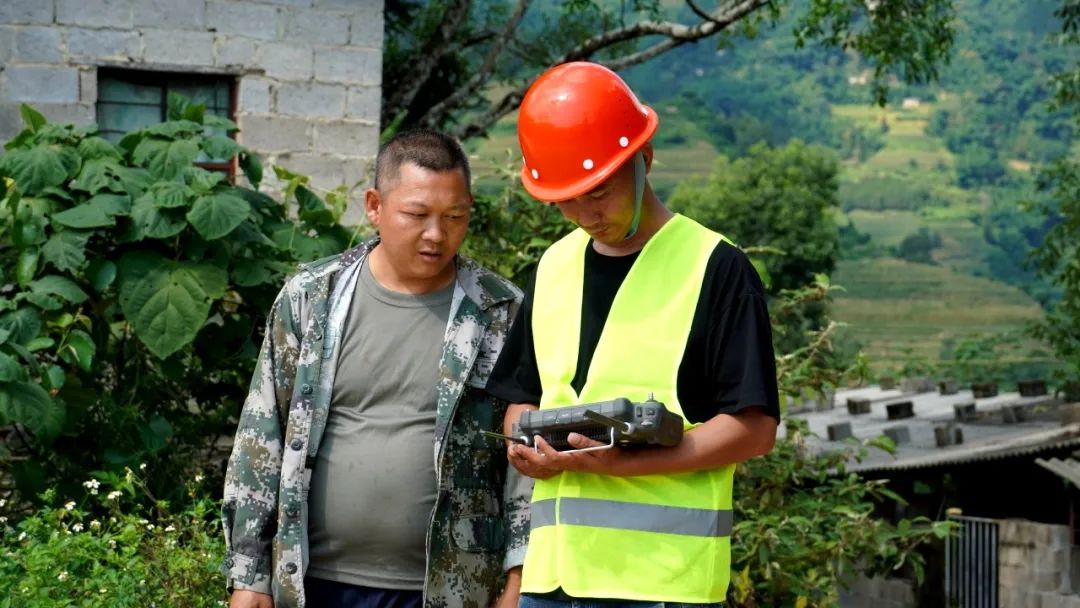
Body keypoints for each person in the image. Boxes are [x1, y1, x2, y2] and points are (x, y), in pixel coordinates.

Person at [485, 62, 781, 607]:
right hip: (551, 581)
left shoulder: (716, 268)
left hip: (661, 586)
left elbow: (754, 429)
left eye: (598, 190)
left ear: (643, 159)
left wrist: (629, 463)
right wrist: (528, 444)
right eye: (566, 199)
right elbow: (520, 397)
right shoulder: (552, 267)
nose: (584, 213)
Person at [222, 130, 530, 608]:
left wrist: (518, 581)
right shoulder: (312, 299)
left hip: (450, 590)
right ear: (374, 205)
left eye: (455, 217)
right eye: (417, 214)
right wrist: (249, 576)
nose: (436, 234)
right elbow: (262, 436)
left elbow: (525, 462)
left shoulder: (500, 312)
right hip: (312, 582)